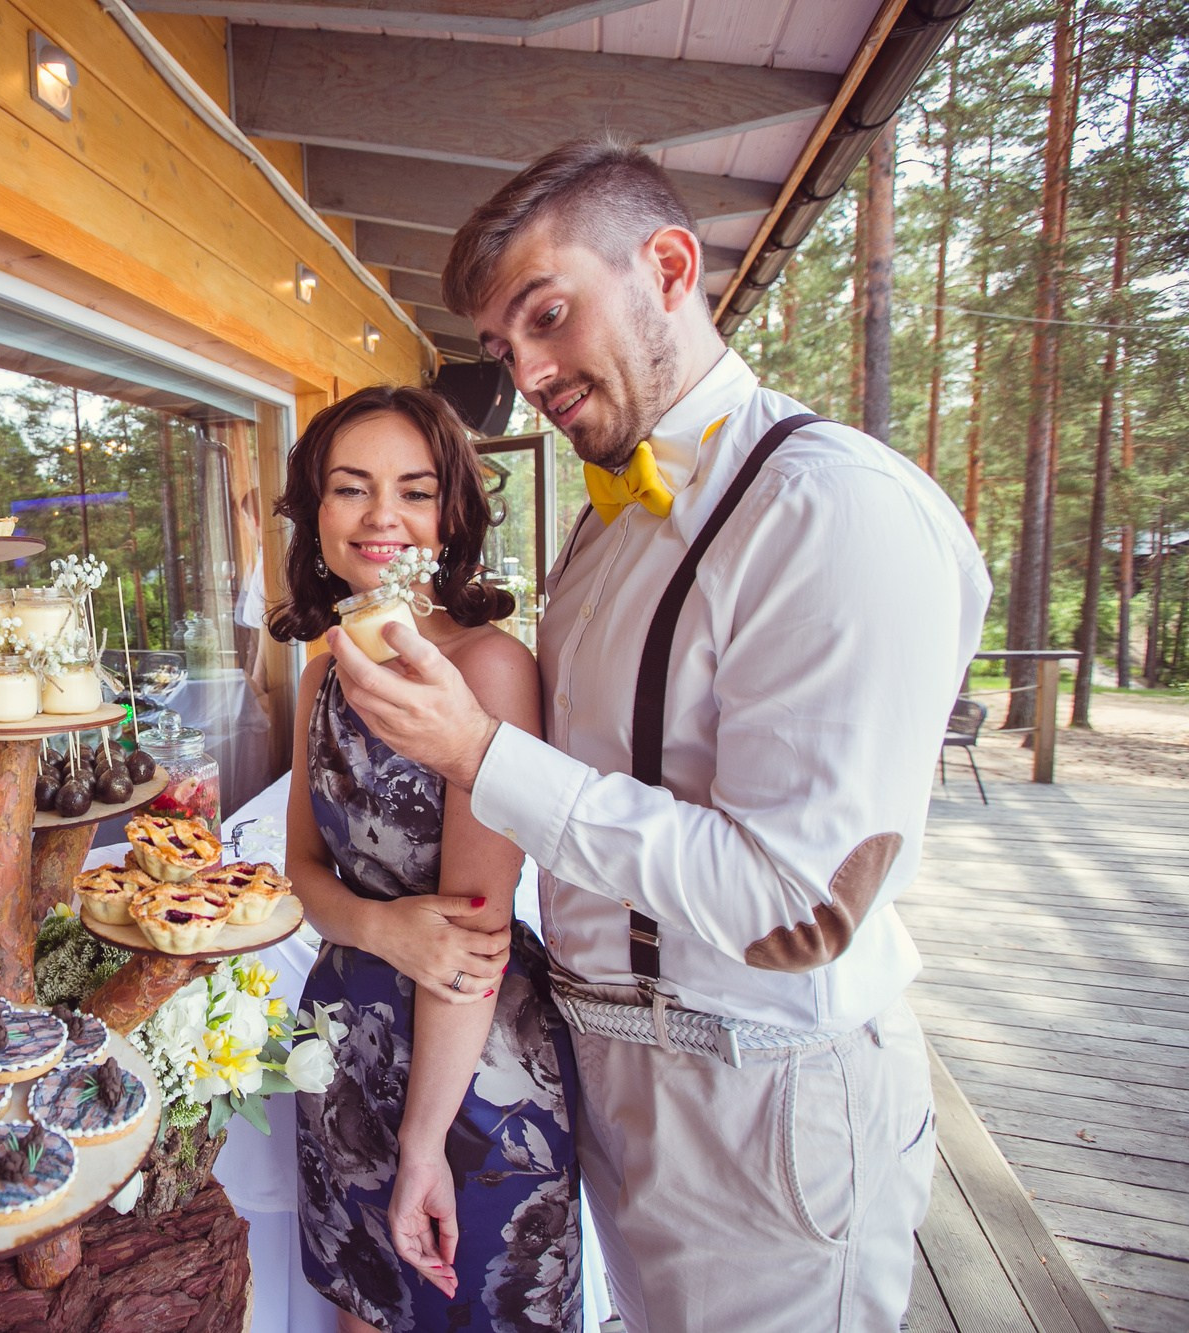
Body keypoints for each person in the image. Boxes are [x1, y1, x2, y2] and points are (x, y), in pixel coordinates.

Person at [325, 138, 991, 1333]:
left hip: (759, 1093)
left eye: (547, 315)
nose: (528, 371)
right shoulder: (600, 532)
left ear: (671, 268)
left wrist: (477, 754)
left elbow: (797, 906)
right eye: (502, 347)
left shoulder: (829, 508)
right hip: (614, 1076)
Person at [271, 385, 582, 1333]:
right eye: (351, 488)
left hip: (473, 1067)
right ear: (316, 512)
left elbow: (471, 936)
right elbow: (299, 871)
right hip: (339, 1042)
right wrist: (380, 927)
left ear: (451, 514)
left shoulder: (490, 669)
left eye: (413, 491)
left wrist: (421, 1143)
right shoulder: (322, 672)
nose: (382, 517)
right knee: (361, 1307)